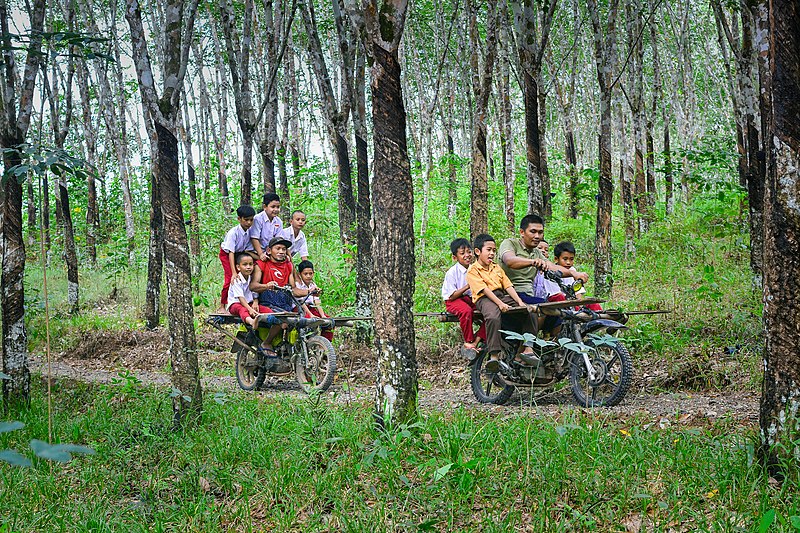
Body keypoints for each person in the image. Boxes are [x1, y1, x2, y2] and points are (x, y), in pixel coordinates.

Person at [499, 214, 587, 332]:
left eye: (540, 232)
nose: (537, 236)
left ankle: (552, 345)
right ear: (522, 232)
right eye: (533, 232)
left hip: (528, 295)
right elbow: (510, 261)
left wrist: (573, 274)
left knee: (557, 313)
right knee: (544, 306)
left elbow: (552, 266)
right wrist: (533, 262)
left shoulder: (537, 252)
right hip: (509, 294)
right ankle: (526, 347)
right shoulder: (510, 243)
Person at [466, 234, 539, 372]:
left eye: (494, 250)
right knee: (493, 317)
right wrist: (500, 304)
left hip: (501, 295)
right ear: (477, 252)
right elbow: (485, 290)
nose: (492, 253)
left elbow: (508, 286)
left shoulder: (497, 268)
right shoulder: (473, 270)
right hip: (484, 298)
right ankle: (494, 355)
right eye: (489, 250)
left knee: (530, 311)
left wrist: (519, 302)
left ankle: (528, 347)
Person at [441, 238, 485, 358]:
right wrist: (468, 286)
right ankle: (469, 341)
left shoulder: (475, 269)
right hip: (453, 300)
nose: (467, 255)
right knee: (466, 311)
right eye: (462, 253)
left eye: (469, 252)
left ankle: (477, 340)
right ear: (455, 257)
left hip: (470, 299)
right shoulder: (452, 272)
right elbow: (452, 295)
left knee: (491, 313)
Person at [219, 205, 256, 309]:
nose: (249, 223)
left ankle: (248, 300)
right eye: (246, 220)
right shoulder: (233, 233)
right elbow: (231, 252)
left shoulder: (249, 231)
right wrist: (234, 272)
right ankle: (222, 306)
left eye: (251, 220)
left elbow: (247, 249)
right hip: (227, 255)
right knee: (231, 278)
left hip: (240, 254)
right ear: (239, 219)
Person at [553, 241, 603, 312]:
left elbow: (578, 292)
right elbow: (555, 295)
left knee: (594, 305)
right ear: (556, 259)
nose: (568, 262)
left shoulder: (573, 271)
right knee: (560, 297)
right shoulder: (552, 271)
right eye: (565, 259)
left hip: (572, 303)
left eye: (571, 259)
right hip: (559, 304)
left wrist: (580, 306)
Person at [226, 253, 271, 326]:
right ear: (238, 267)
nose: (248, 267)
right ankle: (252, 322)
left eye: (250, 264)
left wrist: (255, 302)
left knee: (264, 309)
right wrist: (250, 309)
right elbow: (241, 298)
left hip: (249, 303)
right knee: (242, 310)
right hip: (235, 304)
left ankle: (274, 319)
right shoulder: (236, 279)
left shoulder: (251, 278)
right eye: (245, 264)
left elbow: (254, 293)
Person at [296, 260, 334, 341]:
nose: (308, 276)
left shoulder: (313, 285)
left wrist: (322, 315)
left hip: (311, 308)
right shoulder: (297, 285)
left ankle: (325, 344)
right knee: (308, 321)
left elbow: (317, 302)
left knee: (329, 321)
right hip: (300, 308)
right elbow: (300, 302)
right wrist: (310, 314)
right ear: (300, 274)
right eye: (305, 274)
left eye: (311, 273)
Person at [249, 192, 283, 262]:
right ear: (265, 207)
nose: (276, 209)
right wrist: (261, 254)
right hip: (255, 252)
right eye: (273, 207)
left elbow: (277, 240)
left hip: (269, 252)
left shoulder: (279, 221)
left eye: (278, 207)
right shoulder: (258, 219)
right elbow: (254, 238)